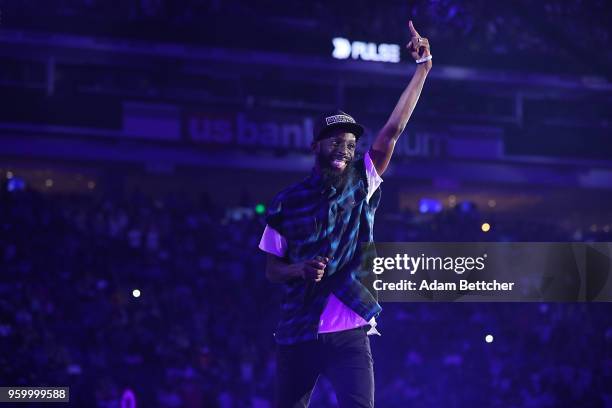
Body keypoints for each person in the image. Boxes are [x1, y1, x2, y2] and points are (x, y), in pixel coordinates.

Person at [258, 20, 432, 408]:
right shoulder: (286, 203)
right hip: (297, 333)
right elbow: (272, 270)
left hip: (351, 330)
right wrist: (298, 269)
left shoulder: (362, 181)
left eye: (351, 144)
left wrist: (423, 68)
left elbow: (393, 130)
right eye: (335, 141)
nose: (344, 149)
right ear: (314, 146)